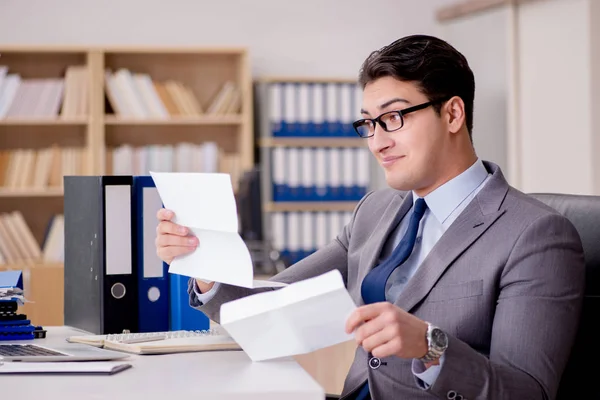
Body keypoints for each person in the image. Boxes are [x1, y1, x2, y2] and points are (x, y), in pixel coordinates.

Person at [155, 35, 585, 400]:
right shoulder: (375, 210)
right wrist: (206, 266)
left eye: (393, 118)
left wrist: (429, 346)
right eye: (368, 124)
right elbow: (273, 303)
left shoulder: (536, 234)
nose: (377, 142)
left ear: (453, 114)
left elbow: (528, 391)